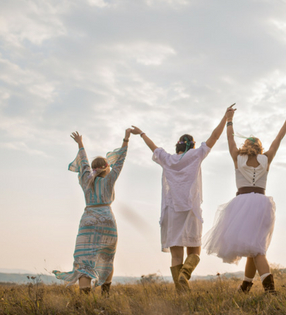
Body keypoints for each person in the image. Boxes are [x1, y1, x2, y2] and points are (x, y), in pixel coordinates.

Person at [130, 106, 232, 292]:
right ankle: (185, 274)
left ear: (177, 145)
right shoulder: (196, 155)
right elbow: (214, 137)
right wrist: (226, 118)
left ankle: (182, 293)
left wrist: (141, 133)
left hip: (171, 212)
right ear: (192, 145)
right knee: (195, 251)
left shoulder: (167, 159)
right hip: (190, 210)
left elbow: (153, 147)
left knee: (176, 256)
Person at [203, 106, 286, 294]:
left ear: (245, 146)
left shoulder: (237, 157)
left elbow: (229, 138)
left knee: (257, 250)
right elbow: (279, 138)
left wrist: (229, 119)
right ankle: (245, 286)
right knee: (255, 247)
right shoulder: (267, 158)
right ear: (260, 147)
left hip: (242, 203)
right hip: (262, 205)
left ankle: (270, 290)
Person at [53, 129, 131, 295]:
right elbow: (121, 160)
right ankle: (105, 295)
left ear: (92, 168)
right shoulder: (110, 178)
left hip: (88, 221)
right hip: (107, 222)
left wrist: (81, 144)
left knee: (84, 262)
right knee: (106, 259)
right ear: (107, 169)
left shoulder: (85, 179)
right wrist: (126, 139)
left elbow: (83, 162)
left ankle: (84, 300)